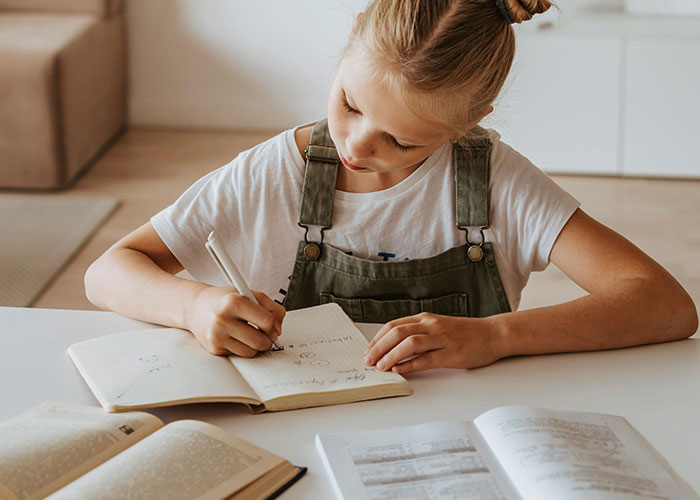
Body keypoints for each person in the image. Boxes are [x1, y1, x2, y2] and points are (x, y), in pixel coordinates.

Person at [85, 0, 698, 375]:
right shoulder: (271, 173)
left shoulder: (496, 183)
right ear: (352, 37)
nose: (356, 146)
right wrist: (192, 306)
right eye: (349, 104)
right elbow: (109, 271)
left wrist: (497, 335)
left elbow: (665, 304)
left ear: (472, 116)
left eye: (403, 141)